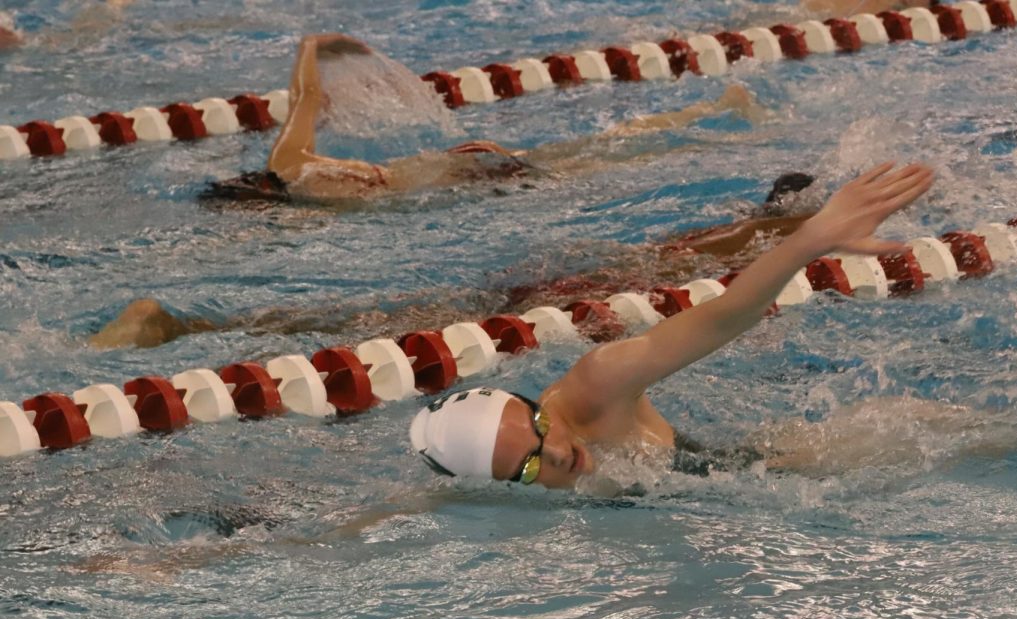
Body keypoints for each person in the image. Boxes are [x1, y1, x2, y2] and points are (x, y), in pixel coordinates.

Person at [409, 162, 939, 490]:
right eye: (527, 469)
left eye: (541, 430)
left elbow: (724, 315)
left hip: (791, 466)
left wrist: (813, 238)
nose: (557, 453)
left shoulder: (597, 386)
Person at [89, 172, 822, 349]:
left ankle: (188, 327)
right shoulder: (741, 246)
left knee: (372, 321)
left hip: (547, 282)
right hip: (550, 297)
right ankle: (182, 328)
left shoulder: (706, 243)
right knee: (373, 329)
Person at [205, 32, 765, 204]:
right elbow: (309, 97)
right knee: (602, 150)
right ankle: (707, 112)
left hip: (470, 176)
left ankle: (708, 120)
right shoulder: (292, 164)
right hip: (467, 164)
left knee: (603, 160)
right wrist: (312, 46)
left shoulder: (312, 200)